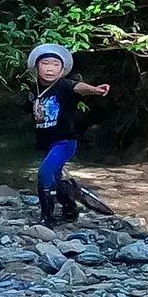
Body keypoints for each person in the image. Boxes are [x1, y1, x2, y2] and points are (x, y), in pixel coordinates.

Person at [27, 44, 110, 228]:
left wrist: (95, 90)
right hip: (46, 142)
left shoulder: (63, 86)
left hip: (64, 141)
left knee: (45, 172)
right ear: (37, 67)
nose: (50, 68)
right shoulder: (34, 90)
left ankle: (46, 219)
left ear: (62, 69)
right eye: (45, 63)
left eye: (55, 64)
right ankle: (70, 206)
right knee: (54, 179)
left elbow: (78, 87)